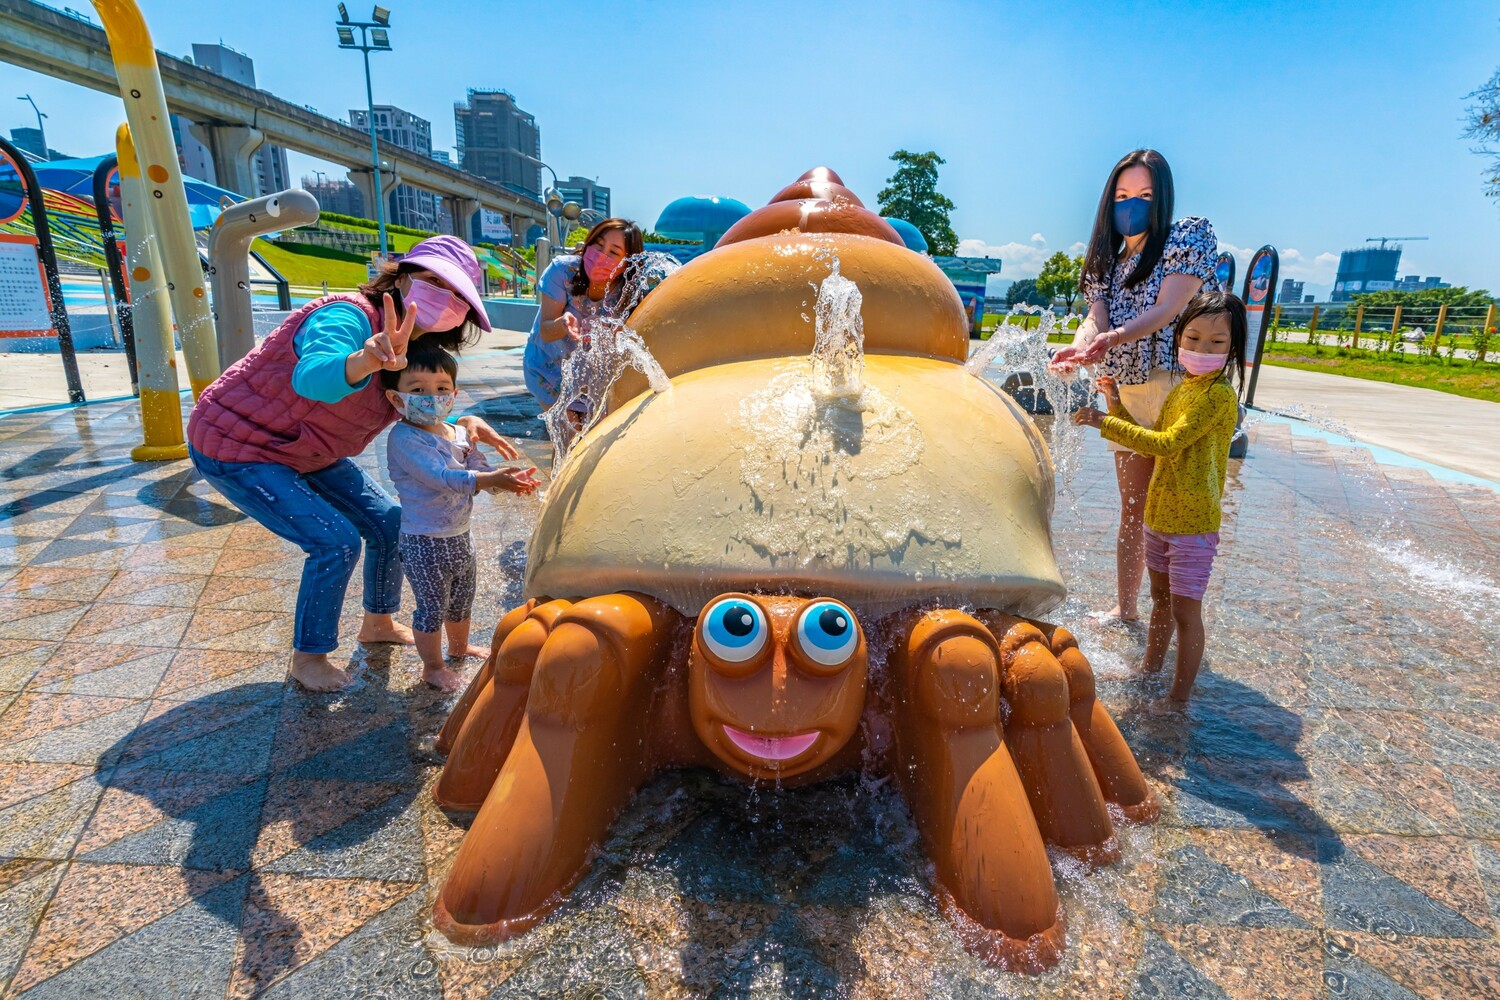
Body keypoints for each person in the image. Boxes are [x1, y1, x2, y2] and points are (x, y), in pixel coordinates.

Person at [187, 236, 531, 692]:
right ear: (401, 277)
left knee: (388, 522)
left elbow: (419, 406)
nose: (444, 298)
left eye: (458, 294)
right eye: (433, 281)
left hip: (310, 450)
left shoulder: (418, 347)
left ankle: (378, 623)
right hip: (240, 444)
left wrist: (463, 422)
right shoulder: (346, 316)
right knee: (334, 541)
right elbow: (313, 378)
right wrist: (365, 359)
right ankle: (309, 657)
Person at [1050, 149, 1218, 623]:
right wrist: (1077, 348)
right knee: (1133, 507)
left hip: (1174, 389)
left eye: (1144, 195)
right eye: (1123, 195)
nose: (1132, 205)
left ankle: (1177, 616)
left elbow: (1167, 309)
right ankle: (1125, 609)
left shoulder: (1184, 239)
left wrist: (1112, 338)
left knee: (1175, 511)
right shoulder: (1106, 261)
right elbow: (1095, 320)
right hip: (1125, 392)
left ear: (1161, 198)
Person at [1074, 292, 1246, 703]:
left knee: (1185, 612)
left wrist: (1103, 422)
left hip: (1193, 525)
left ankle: (1178, 699)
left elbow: (1167, 444)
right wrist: (1115, 405)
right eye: (1193, 338)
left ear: (1234, 347)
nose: (1202, 348)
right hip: (1161, 515)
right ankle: (1149, 670)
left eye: (1217, 342)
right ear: (1178, 337)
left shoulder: (1217, 396)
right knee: (1161, 601)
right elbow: (1152, 441)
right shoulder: (1183, 389)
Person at [383, 340, 538, 691]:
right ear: (396, 398)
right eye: (418, 390)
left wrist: (507, 481)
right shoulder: (405, 439)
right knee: (431, 608)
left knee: (461, 601)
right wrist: (490, 479)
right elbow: (443, 478)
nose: (432, 397)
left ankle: (459, 647)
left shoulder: (456, 433)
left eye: (441, 389)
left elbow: (477, 468)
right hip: (424, 542)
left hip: (460, 536)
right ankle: (433, 667)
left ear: (454, 394)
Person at [522, 218, 644, 411]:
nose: (601, 255)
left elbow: (632, 341)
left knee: (597, 430)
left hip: (590, 380)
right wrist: (563, 324)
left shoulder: (629, 293)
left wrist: (611, 331)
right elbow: (546, 331)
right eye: (599, 244)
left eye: (613, 252)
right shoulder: (562, 271)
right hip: (548, 370)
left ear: (627, 263)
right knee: (568, 430)